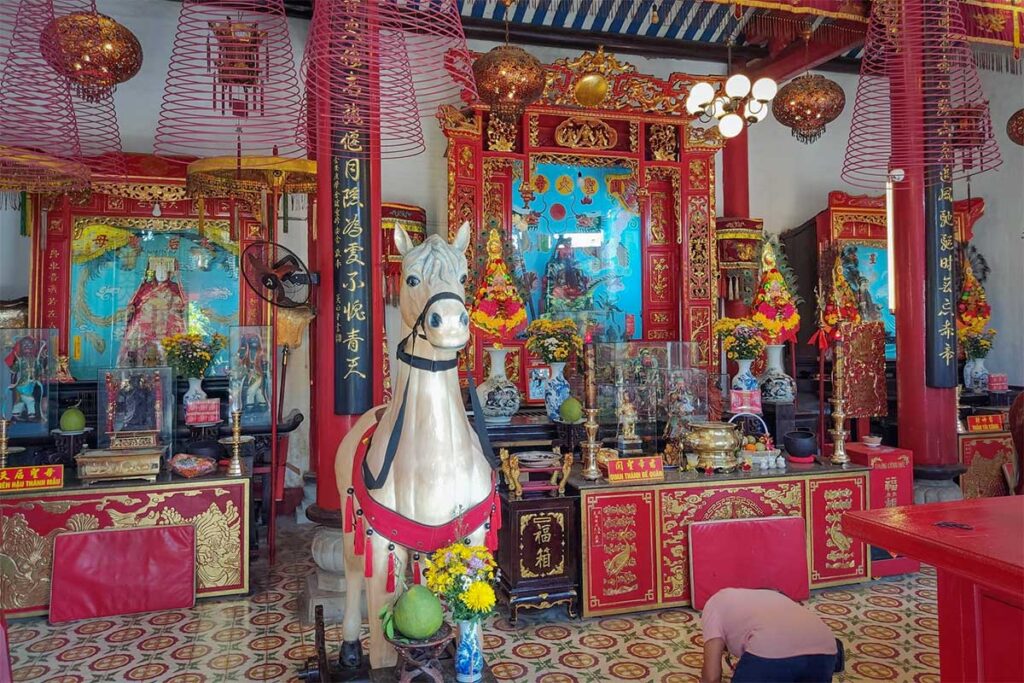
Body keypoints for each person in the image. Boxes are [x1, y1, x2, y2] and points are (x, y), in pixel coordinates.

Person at [700, 588, 839, 683]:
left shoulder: (714, 603)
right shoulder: (769, 596)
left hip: (772, 650)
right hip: (826, 649)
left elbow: (712, 677)